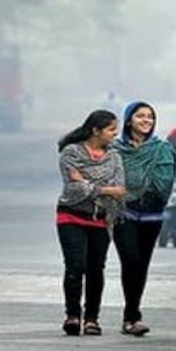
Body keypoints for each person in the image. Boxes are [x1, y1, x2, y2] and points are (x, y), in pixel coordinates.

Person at [56, 109, 126, 336]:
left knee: (96, 269)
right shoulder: (71, 152)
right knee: (75, 266)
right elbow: (73, 189)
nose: (115, 135)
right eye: (111, 130)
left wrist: (87, 182)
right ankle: (73, 316)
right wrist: (104, 188)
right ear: (96, 130)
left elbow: (120, 190)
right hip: (71, 216)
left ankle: (92, 318)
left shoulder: (114, 157)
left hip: (101, 219)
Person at [112, 101, 176, 336]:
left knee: (142, 264)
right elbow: (107, 177)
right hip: (123, 213)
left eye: (150, 116)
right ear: (129, 120)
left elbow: (166, 180)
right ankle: (132, 316)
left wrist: (145, 189)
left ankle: (132, 315)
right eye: (140, 116)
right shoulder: (115, 150)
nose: (146, 120)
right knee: (130, 261)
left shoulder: (162, 149)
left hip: (152, 214)